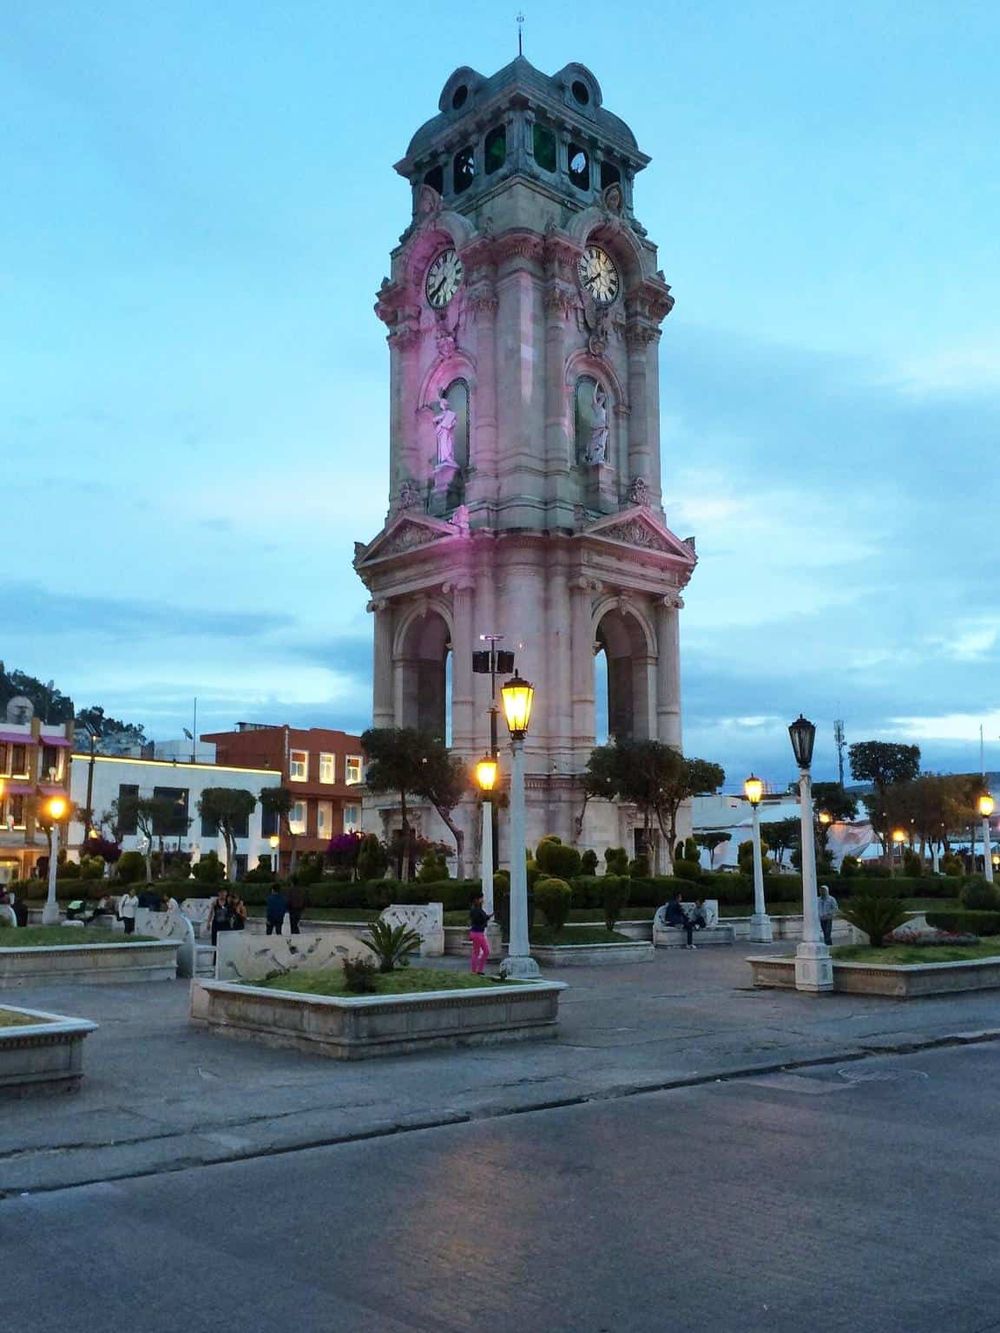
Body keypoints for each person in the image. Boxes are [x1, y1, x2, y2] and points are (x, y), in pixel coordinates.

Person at [468, 892, 491, 975]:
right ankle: (475, 971)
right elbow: (479, 920)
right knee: (478, 952)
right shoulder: (476, 909)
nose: (482, 900)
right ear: (477, 899)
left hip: (478, 933)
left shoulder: (476, 909)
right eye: (481, 898)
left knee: (484, 951)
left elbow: (482, 918)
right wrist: (486, 919)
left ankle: (478, 970)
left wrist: (487, 917)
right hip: (477, 933)